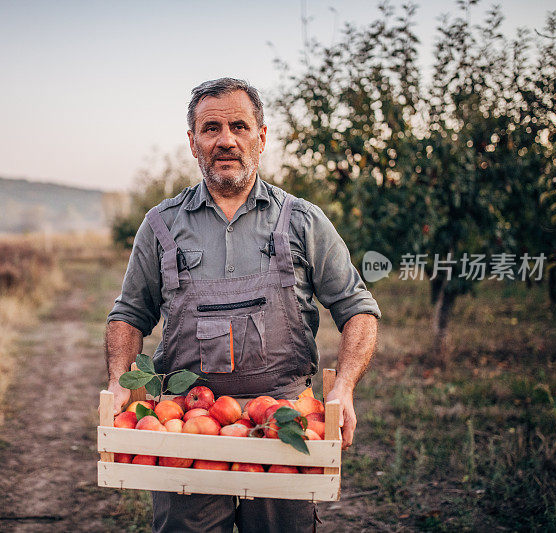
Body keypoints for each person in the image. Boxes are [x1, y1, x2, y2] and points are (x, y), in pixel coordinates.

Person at [104, 77, 380, 533]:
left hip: (285, 424)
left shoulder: (303, 221)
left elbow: (357, 308)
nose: (226, 139)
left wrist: (344, 386)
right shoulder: (160, 226)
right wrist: (118, 380)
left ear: (262, 136)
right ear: (193, 142)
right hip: (188, 424)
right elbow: (129, 314)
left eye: (239, 125)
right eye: (211, 128)